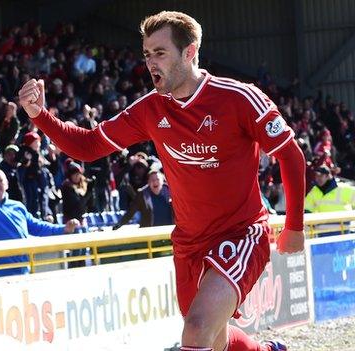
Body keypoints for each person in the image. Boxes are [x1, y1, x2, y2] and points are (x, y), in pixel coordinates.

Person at [18, 11, 305, 351]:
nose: (151, 62)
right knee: (214, 338)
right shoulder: (151, 109)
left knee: (196, 329)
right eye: (147, 54)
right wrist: (40, 116)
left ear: (189, 52)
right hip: (189, 242)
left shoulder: (240, 98)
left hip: (241, 232)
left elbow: (291, 156)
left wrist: (294, 227)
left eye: (160, 52)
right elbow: (89, 146)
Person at [0, 158, 80, 278]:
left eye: (0, 181)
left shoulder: (17, 206)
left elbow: (37, 227)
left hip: (24, 272)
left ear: (6, 184)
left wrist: (63, 229)